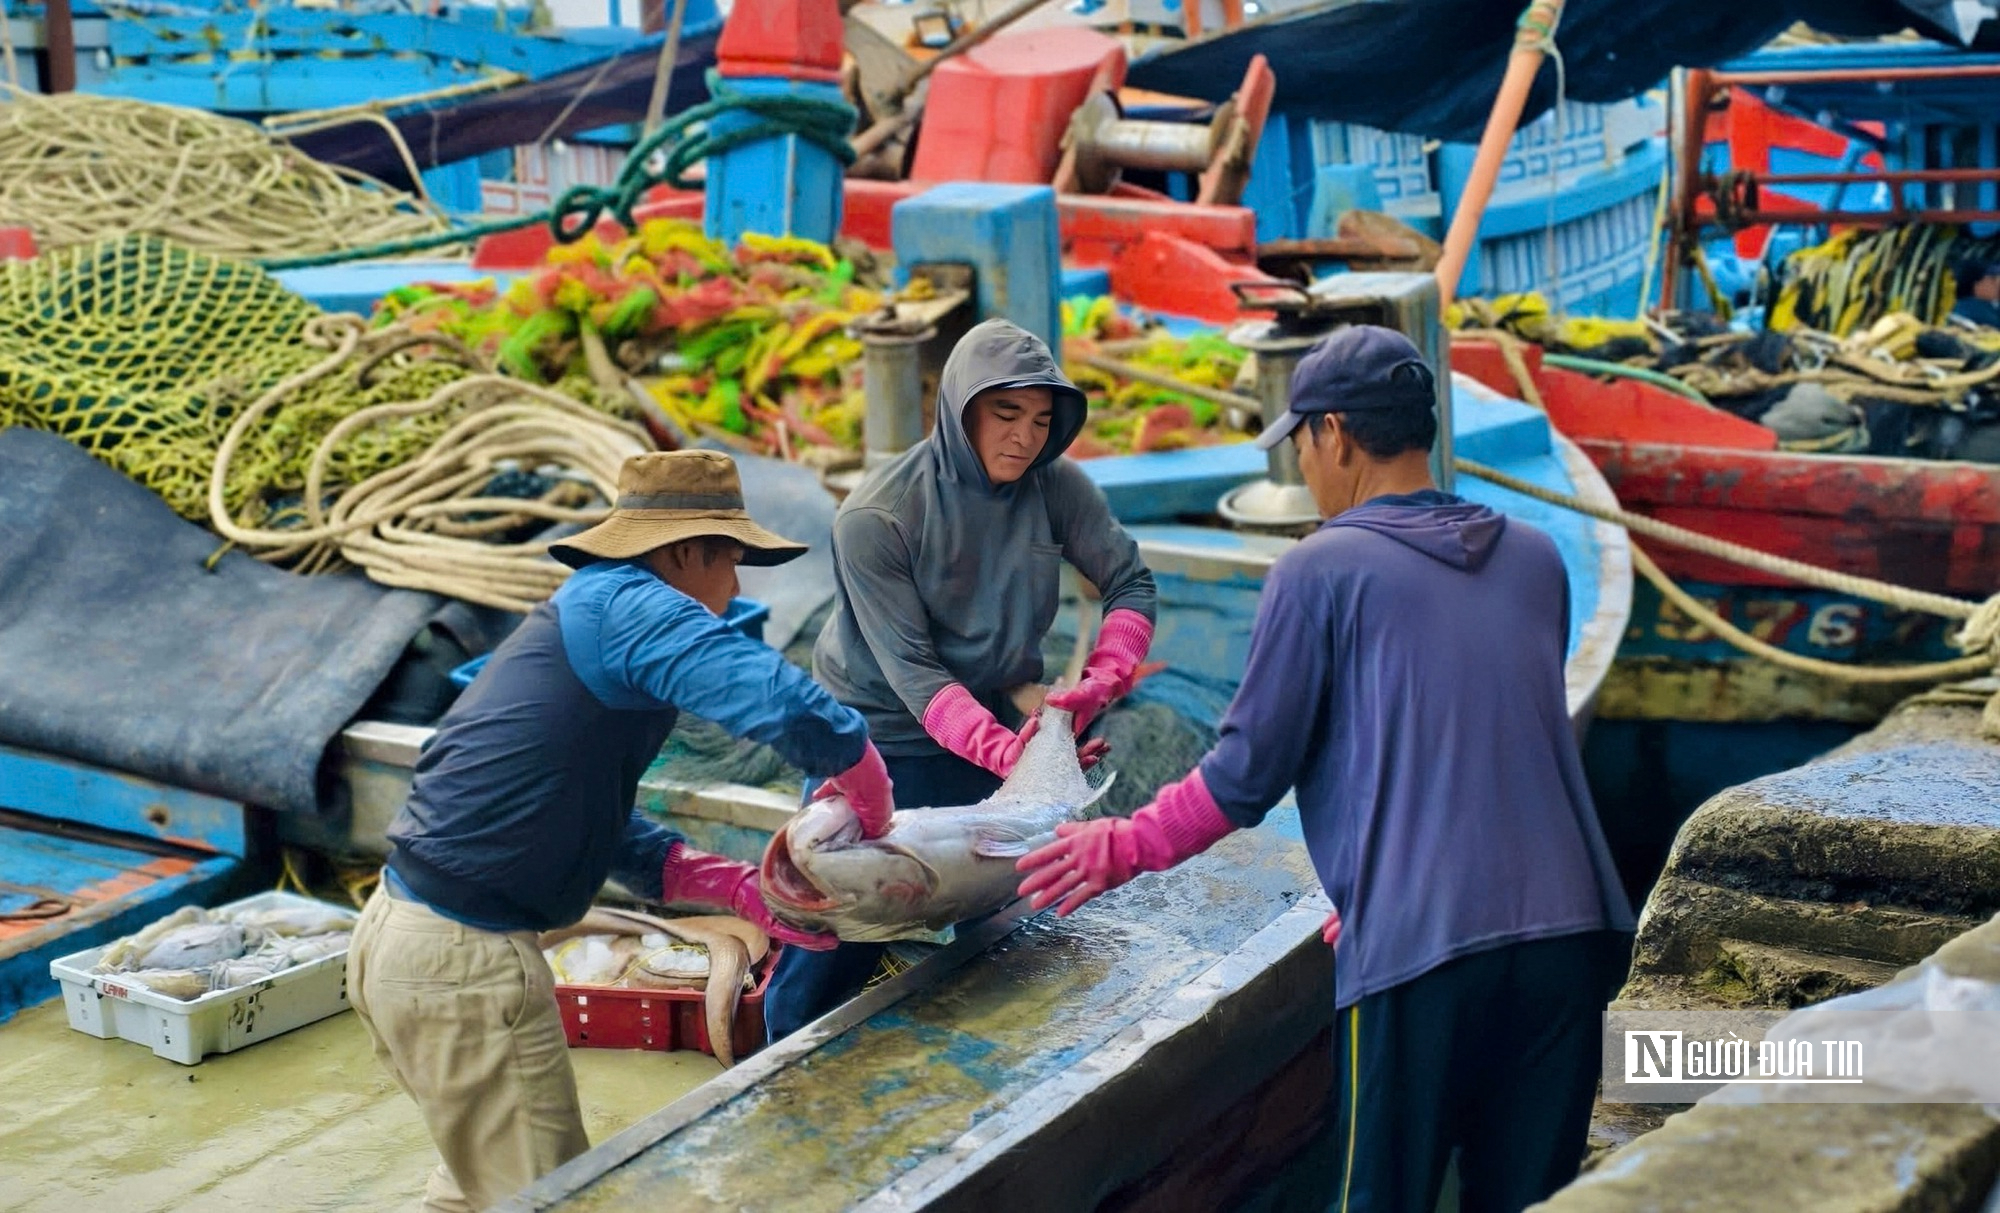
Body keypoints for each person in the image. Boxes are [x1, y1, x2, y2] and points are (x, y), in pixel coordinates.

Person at [1015, 326, 1635, 1213]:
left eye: (1301, 443)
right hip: (1573, 938)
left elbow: (1243, 777)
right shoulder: (1537, 559)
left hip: (1424, 954)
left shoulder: (1318, 569)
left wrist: (1120, 844)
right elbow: (1479, 738)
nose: (1304, 467)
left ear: (1334, 434)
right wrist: (1369, 885)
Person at [348, 449, 896, 1213]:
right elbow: (783, 702)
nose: (736, 590)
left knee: (474, 1188)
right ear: (679, 553)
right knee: (556, 1198)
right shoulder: (628, 605)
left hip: (398, 943)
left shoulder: (586, 614)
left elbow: (581, 813)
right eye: (730, 564)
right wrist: (862, 768)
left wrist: (726, 883)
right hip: (460, 965)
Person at [763, 317, 1159, 1039]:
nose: (1025, 437)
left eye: (1043, 419)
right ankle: (776, 1078)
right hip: (873, 742)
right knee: (830, 947)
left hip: (990, 729)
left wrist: (1095, 687)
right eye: (1004, 414)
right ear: (958, 409)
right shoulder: (875, 517)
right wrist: (1023, 759)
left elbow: (1130, 583)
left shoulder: (1057, 486)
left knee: (1004, 937)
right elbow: (915, 676)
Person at [1953, 260, 2000, 328]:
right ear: (1976, 285)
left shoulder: (1993, 304)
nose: (1997, 284)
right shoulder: (1968, 308)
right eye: (1992, 279)